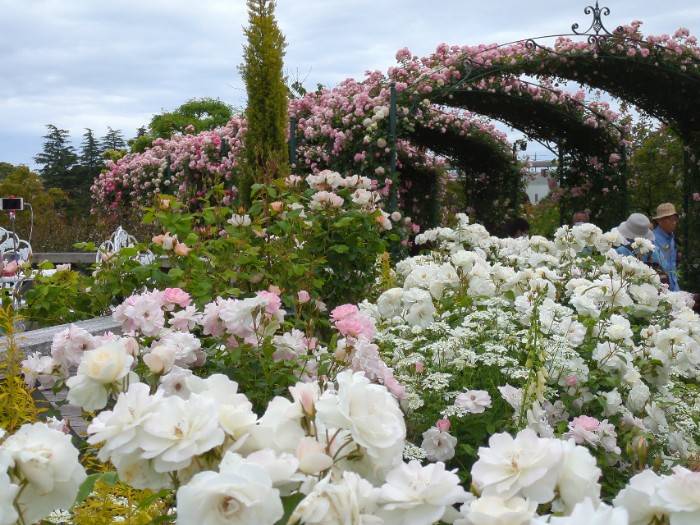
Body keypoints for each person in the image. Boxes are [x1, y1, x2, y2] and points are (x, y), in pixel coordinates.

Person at [651, 202, 680, 291]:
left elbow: (673, 266)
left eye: (675, 219)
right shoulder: (652, 238)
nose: (674, 223)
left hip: (673, 287)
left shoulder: (672, 238)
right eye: (670, 219)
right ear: (659, 221)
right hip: (658, 288)